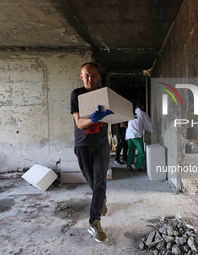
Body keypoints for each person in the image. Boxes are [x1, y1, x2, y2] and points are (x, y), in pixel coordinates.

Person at [70, 63, 113, 243]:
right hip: (83, 145)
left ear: (99, 77)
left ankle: (94, 222)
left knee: (100, 182)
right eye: (87, 75)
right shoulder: (76, 95)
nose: (90, 79)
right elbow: (79, 123)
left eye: (94, 76)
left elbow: (115, 116)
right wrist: (92, 119)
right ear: (81, 76)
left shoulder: (105, 95)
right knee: (94, 183)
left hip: (102, 145)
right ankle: (101, 200)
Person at [125, 101, 152, 171]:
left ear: (136, 107)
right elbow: (148, 125)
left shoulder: (131, 113)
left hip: (128, 134)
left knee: (131, 149)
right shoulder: (143, 114)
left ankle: (129, 164)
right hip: (136, 134)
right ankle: (138, 167)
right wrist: (153, 131)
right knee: (140, 151)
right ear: (143, 107)